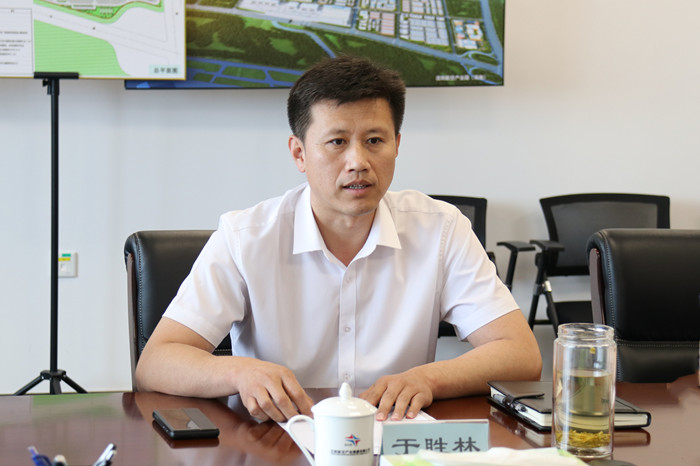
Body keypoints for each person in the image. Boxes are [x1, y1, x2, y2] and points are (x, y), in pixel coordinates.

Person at [135, 55, 542, 424]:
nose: (358, 162)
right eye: (337, 142)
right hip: (278, 440)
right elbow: (156, 362)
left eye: (375, 141)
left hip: (394, 441)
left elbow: (520, 354)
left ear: (397, 145)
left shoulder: (441, 229)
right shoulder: (246, 237)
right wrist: (240, 372)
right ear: (299, 153)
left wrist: (427, 379)